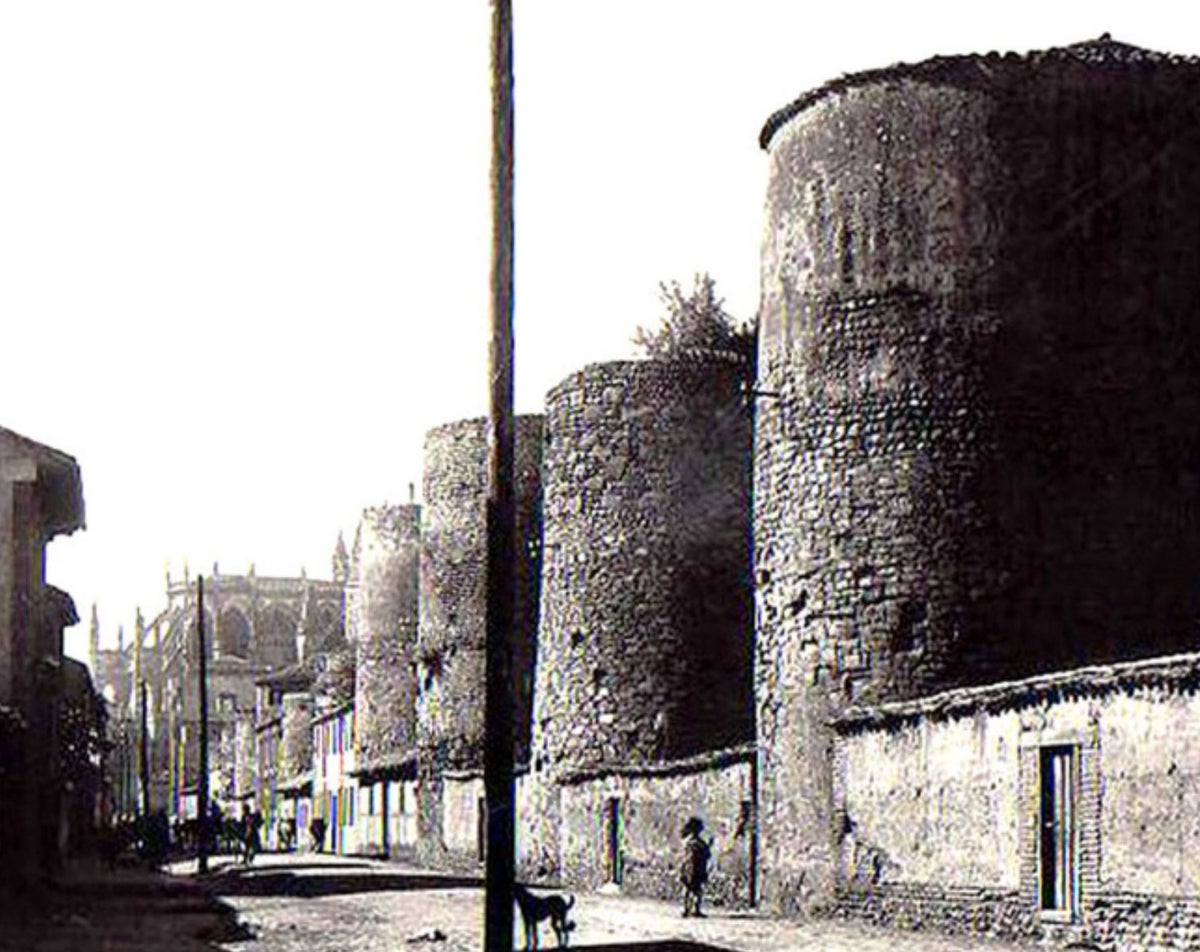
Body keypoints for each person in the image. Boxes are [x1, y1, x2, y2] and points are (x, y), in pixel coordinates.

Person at [679, 816, 712, 918]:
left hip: (689, 869)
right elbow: (706, 854)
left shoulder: (689, 842)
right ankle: (695, 909)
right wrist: (709, 845)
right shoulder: (698, 843)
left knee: (689, 890)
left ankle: (687, 909)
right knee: (697, 891)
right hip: (696, 869)